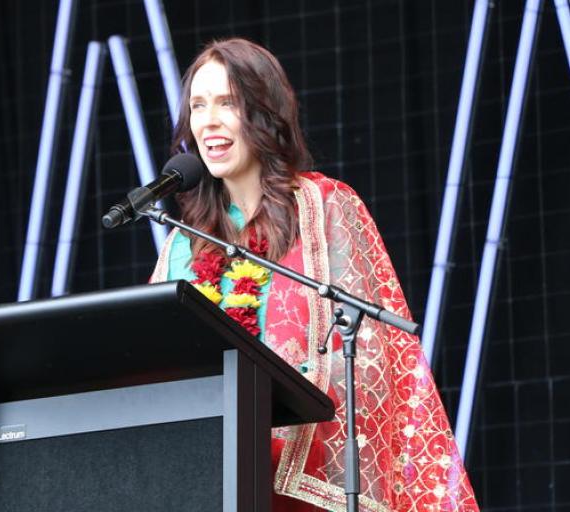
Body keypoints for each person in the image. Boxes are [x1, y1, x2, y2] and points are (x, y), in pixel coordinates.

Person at [150, 38, 479, 512]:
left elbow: (369, 361)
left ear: (263, 112)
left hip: (298, 478)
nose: (209, 122)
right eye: (198, 106)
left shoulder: (324, 207)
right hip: (202, 473)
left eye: (228, 103)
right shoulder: (183, 239)